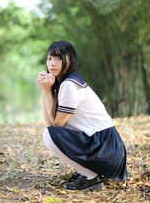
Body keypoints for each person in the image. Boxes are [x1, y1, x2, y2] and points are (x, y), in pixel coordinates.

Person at [37, 40, 127, 191]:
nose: (52, 63)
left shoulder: (69, 85)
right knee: (50, 132)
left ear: (69, 60)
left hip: (105, 146)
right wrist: (44, 89)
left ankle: (91, 178)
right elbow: (50, 123)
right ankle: (87, 172)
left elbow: (56, 124)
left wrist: (47, 91)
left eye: (58, 59)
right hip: (101, 144)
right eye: (49, 58)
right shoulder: (62, 83)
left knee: (49, 135)